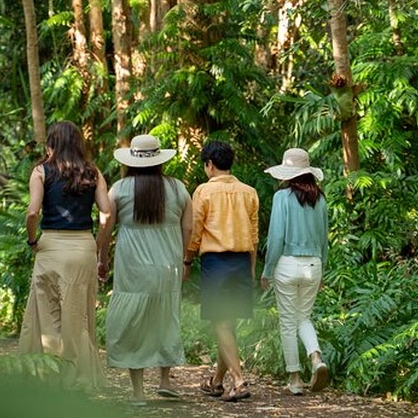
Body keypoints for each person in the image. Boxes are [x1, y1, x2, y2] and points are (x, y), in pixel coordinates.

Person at [96, 134, 192, 405]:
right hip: (167, 266)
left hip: (132, 268)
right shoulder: (177, 188)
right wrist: (185, 259)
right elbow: (189, 228)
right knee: (166, 317)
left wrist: (101, 258)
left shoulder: (120, 188)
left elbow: (106, 227)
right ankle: (163, 381)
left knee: (133, 323)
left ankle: (138, 393)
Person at [18, 121, 111, 389]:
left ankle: (46, 377)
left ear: (52, 143)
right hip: (83, 247)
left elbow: (32, 212)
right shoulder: (93, 172)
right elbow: (106, 214)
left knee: (46, 312)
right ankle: (78, 378)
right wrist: (98, 247)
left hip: (51, 248)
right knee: (77, 315)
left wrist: (32, 239)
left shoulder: (41, 171)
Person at [183, 140, 259, 402]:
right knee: (227, 324)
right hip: (240, 262)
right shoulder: (249, 192)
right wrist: (251, 268)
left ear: (209, 164)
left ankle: (238, 381)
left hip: (216, 263)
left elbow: (196, 232)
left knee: (221, 322)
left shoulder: (203, 192)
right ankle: (216, 382)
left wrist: (187, 261)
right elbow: (254, 235)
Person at [260, 148, 330, 394]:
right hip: (314, 265)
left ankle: (295, 379)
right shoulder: (320, 198)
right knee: (304, 318)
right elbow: (324, 239)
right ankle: (316, 358)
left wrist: (267, 270)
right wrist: (323, 272)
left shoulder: (282, 197)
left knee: (288, 323)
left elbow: (276, 237)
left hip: (287, 265)